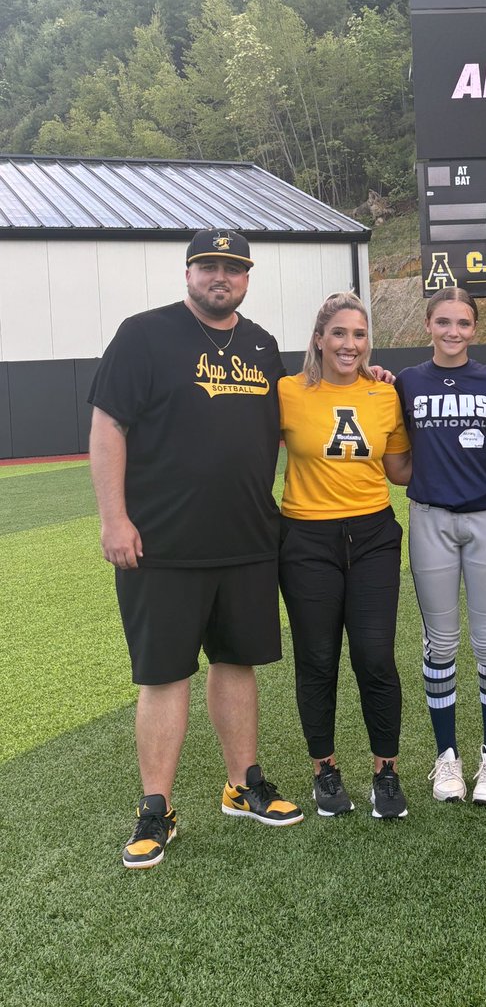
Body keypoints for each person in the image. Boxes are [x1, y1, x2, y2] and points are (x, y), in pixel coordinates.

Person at [88, 228, 303, 870]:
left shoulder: (262, 345)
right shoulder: (144, 334)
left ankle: (244, 784)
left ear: (247, 276)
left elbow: (302, 413)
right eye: (209, 266)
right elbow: (107, 427)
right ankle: (155, 807)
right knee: (163, 673)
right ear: (188, 273)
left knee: (237, 662)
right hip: (161, 542)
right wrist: (114, 518)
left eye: (232, 269)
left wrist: (368, 374)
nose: (221, 277)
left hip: (244, 539)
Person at [278, 292, 413, 820]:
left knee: (375, 657)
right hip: (307, 538)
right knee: (316, 658)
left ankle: (386, 770)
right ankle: (325, 769)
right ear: (318, 338)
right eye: (339, 333)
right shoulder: (288, 392)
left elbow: (400, 470)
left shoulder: (384, 395)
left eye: (359, 335)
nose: (349, 344)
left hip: (374, 535)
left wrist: (461, 450)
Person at [395, 288, 486, 806]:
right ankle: (447, 757)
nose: (453, 331)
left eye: (463, 323)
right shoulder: (407, 381)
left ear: (474, 328)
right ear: (428, 324)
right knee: (440, 642)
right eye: (443, 321)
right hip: (430, 517)